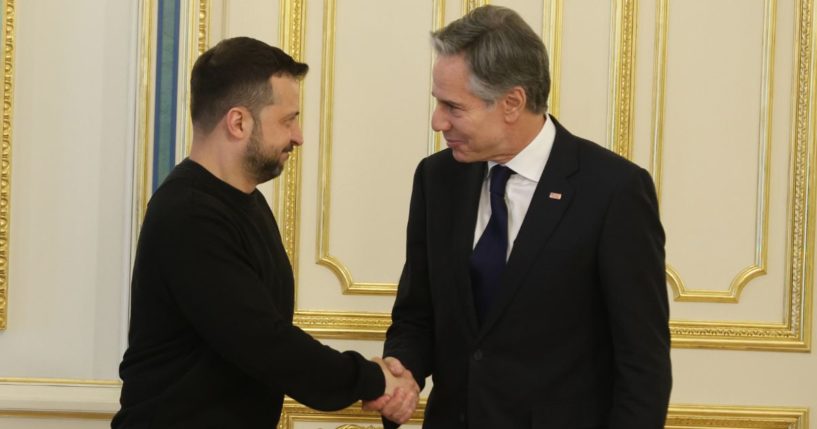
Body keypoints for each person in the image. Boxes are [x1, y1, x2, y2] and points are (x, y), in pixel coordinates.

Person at [371, 5, 672, 428]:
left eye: (453, 107)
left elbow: (643, 363)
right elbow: (417, 313)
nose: (438, 121)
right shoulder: (437, 179)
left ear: (512, 102)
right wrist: (403, 372)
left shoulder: (614, 191)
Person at [112, 37, 418, 428]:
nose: (299, 135)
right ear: (239, 122)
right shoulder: (187, 215)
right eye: (288, 119)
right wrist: (374, 380)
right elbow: (265, 343)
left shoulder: (244, 201)